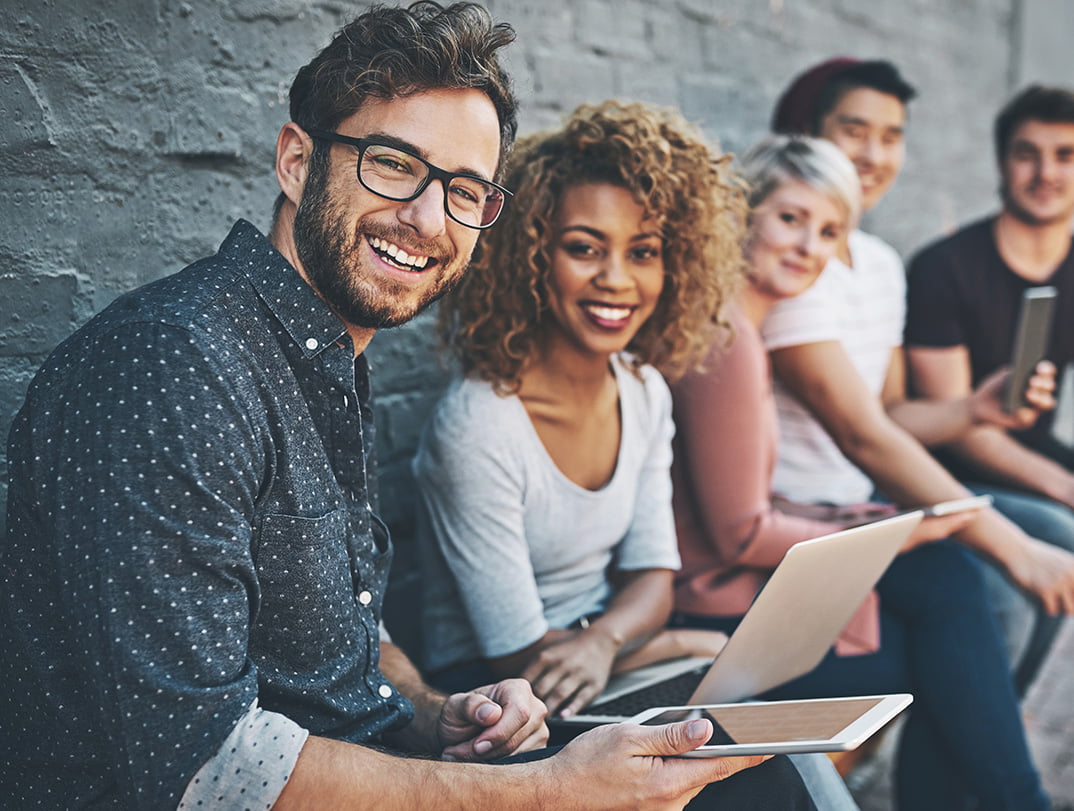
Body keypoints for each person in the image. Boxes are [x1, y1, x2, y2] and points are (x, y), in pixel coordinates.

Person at [0, 4, 817, 809]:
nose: (428, 219)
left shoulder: (323, 357)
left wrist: (436, 713)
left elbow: (335, 639)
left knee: (761, 766)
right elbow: (205, 771)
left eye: (465, 190)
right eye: (393, 163)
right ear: (296, 161)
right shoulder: (175, 366)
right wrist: (546, 791)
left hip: (379, 761)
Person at [412, 100, 840, 808]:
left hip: (605, 665)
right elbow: (522, 657)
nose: (617, 278)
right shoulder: (478, 427)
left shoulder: (642, 390)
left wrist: (610, 638)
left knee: (782, 740)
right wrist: (680, 643)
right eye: (584, 247)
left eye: (642, 252)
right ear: (533, 256)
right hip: (510, 706)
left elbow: (653, 577)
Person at [671, 133, 1052, 811]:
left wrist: (875, 520)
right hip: (710, 606)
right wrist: (891, 533)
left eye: (828, 232)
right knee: (939, 645)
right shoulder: (728, 342)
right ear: (743, 214)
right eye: (790, 219)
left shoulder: (743, 330)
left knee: (948, 610)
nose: (808, 247)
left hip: (738, 583)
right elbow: (739, 532)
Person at [765, 57, 1074, 694]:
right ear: (806, 134)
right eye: (855, 131)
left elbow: (892, 411)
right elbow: (863, 435)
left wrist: (974, 408)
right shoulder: (792, 267)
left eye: (891, 136)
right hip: (820, 512)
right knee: (1006, 590)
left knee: (1049, 551)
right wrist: (1011, 547)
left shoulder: (878, 262)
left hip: (872, 495)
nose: (874, 155)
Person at [904, 83, 1074, 613]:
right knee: (1060, 534)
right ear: (1001, 164)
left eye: (1065, 155)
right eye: (1028, 155)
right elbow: (967, 435)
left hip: (1031, 453)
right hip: (948, 467)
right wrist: (1066, 487)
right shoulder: (944, 268)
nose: (1046, 173)